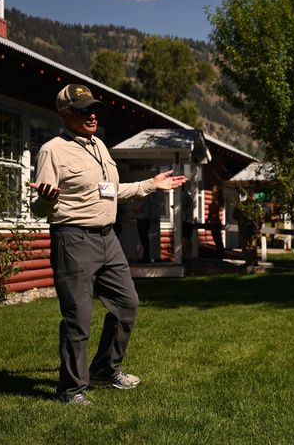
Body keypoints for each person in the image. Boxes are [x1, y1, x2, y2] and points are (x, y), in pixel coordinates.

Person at [30, 84, 187, 405]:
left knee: (127, 304)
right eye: (83, 110)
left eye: (93, 108)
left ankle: (105, 368)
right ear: (64, 114)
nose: (91, 115)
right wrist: (46, 201)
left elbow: (109, 190)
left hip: (107, 238)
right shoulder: (52, 150)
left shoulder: (99, 145)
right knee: (78, 317)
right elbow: (38, 205)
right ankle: (71, 389)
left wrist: (150, 185)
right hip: (73, 238)